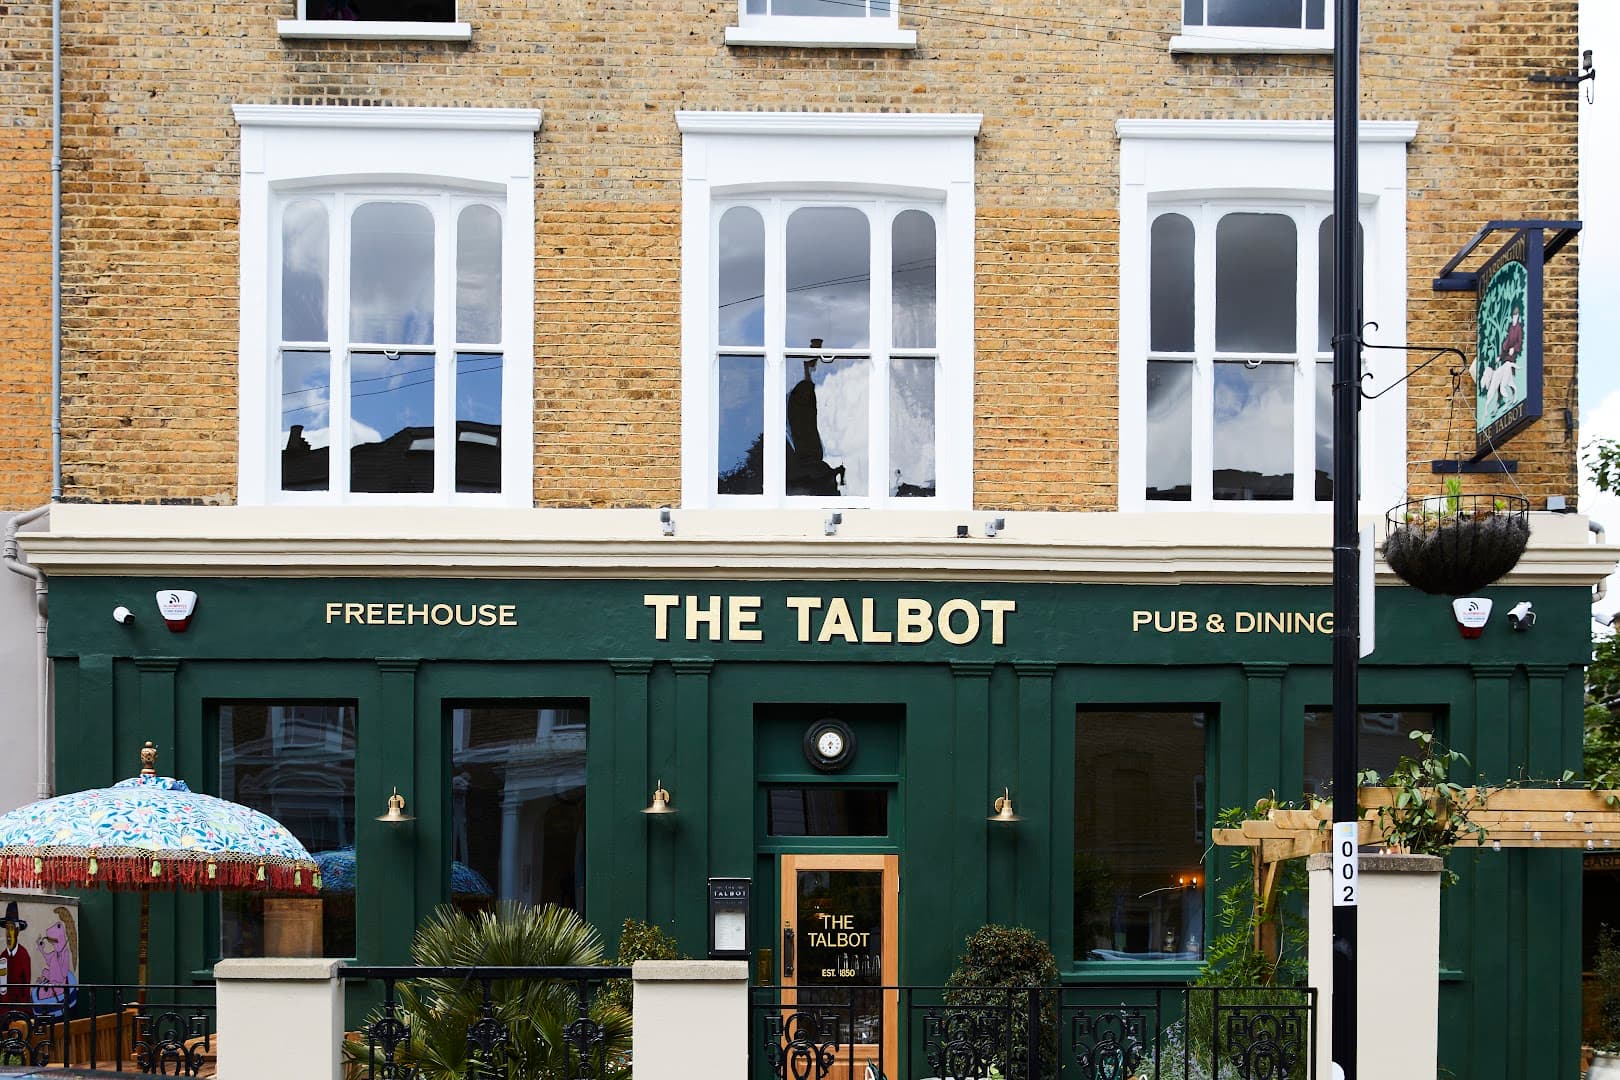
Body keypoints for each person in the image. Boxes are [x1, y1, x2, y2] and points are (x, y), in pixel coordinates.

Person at [0, 901, 32, 1007]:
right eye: (7, 928)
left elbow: (25, 990)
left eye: (12, 928)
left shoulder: (24, 956)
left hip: (21, 1012)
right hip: (3, 1013)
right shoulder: (2, 957)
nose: (8, 933)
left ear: (17, 931)